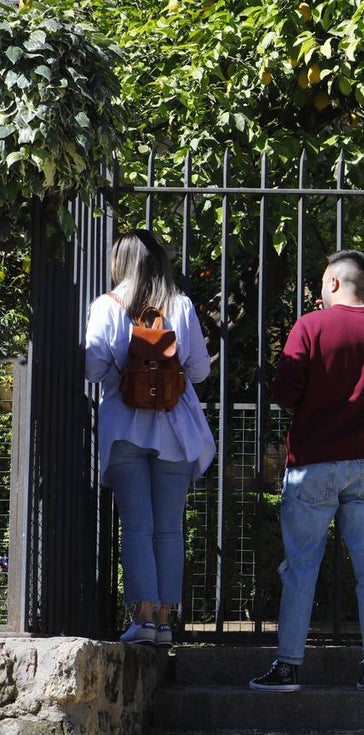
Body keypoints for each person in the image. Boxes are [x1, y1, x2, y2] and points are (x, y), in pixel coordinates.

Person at [250, 249, 364, 693]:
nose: (319, 294)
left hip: (314, 460)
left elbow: (285, 392)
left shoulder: (310, 325)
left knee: (301, 566)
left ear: (334, 282)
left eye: (321, 285)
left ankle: (289, 668)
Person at [84, 229, 215, 646]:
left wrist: (124, 375)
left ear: (119, 261)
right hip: (175, 433)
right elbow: (199, 370)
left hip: (124, 428)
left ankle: (142, 618)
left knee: (136, 527)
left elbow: (93, 369)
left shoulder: (106, 306)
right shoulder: (180, 305)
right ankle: (163, 620)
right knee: (169, 529)